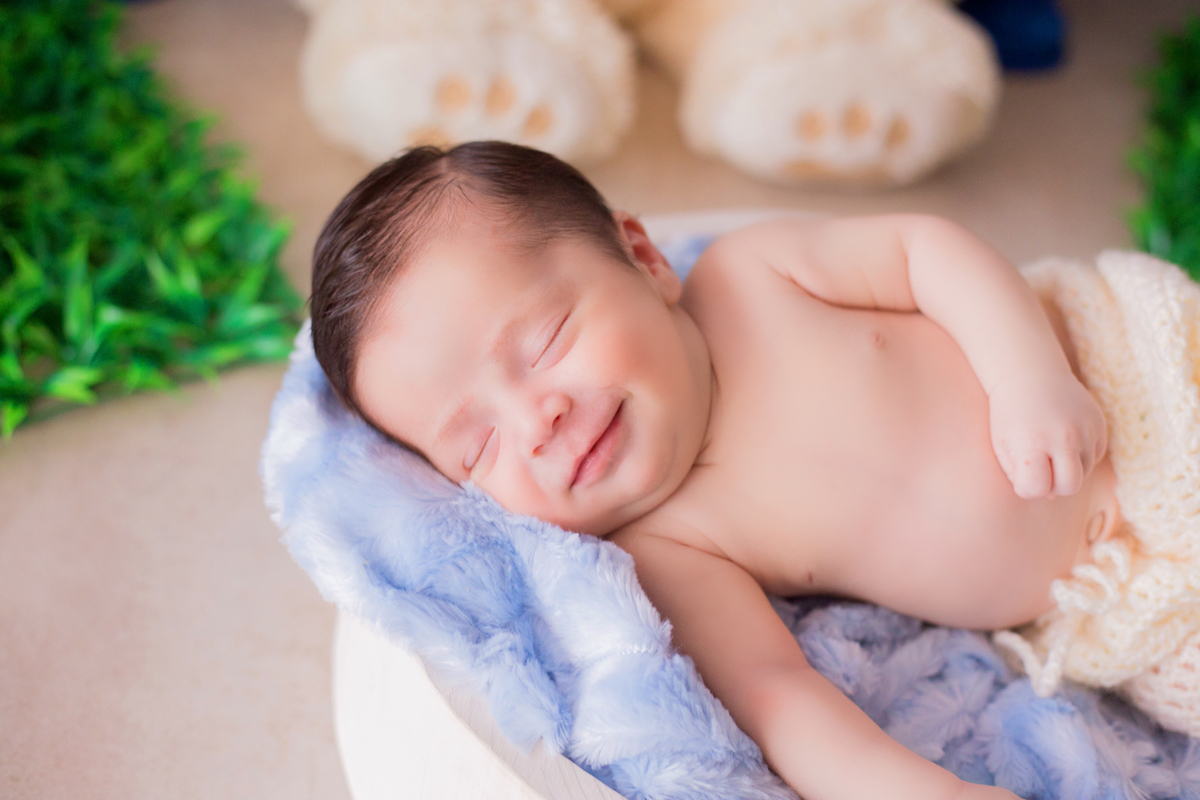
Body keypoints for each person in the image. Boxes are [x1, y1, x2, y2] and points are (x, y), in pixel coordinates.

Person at [309, 140, 1123, 800]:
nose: (536, 422)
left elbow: (925, 251)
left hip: (1133, 373)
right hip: (1127, 594)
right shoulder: (670, 551)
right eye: (477, 445)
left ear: (642, 257)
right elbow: (778, 697)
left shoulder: (752, 276)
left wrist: (1029, 376)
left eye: (547, 340)